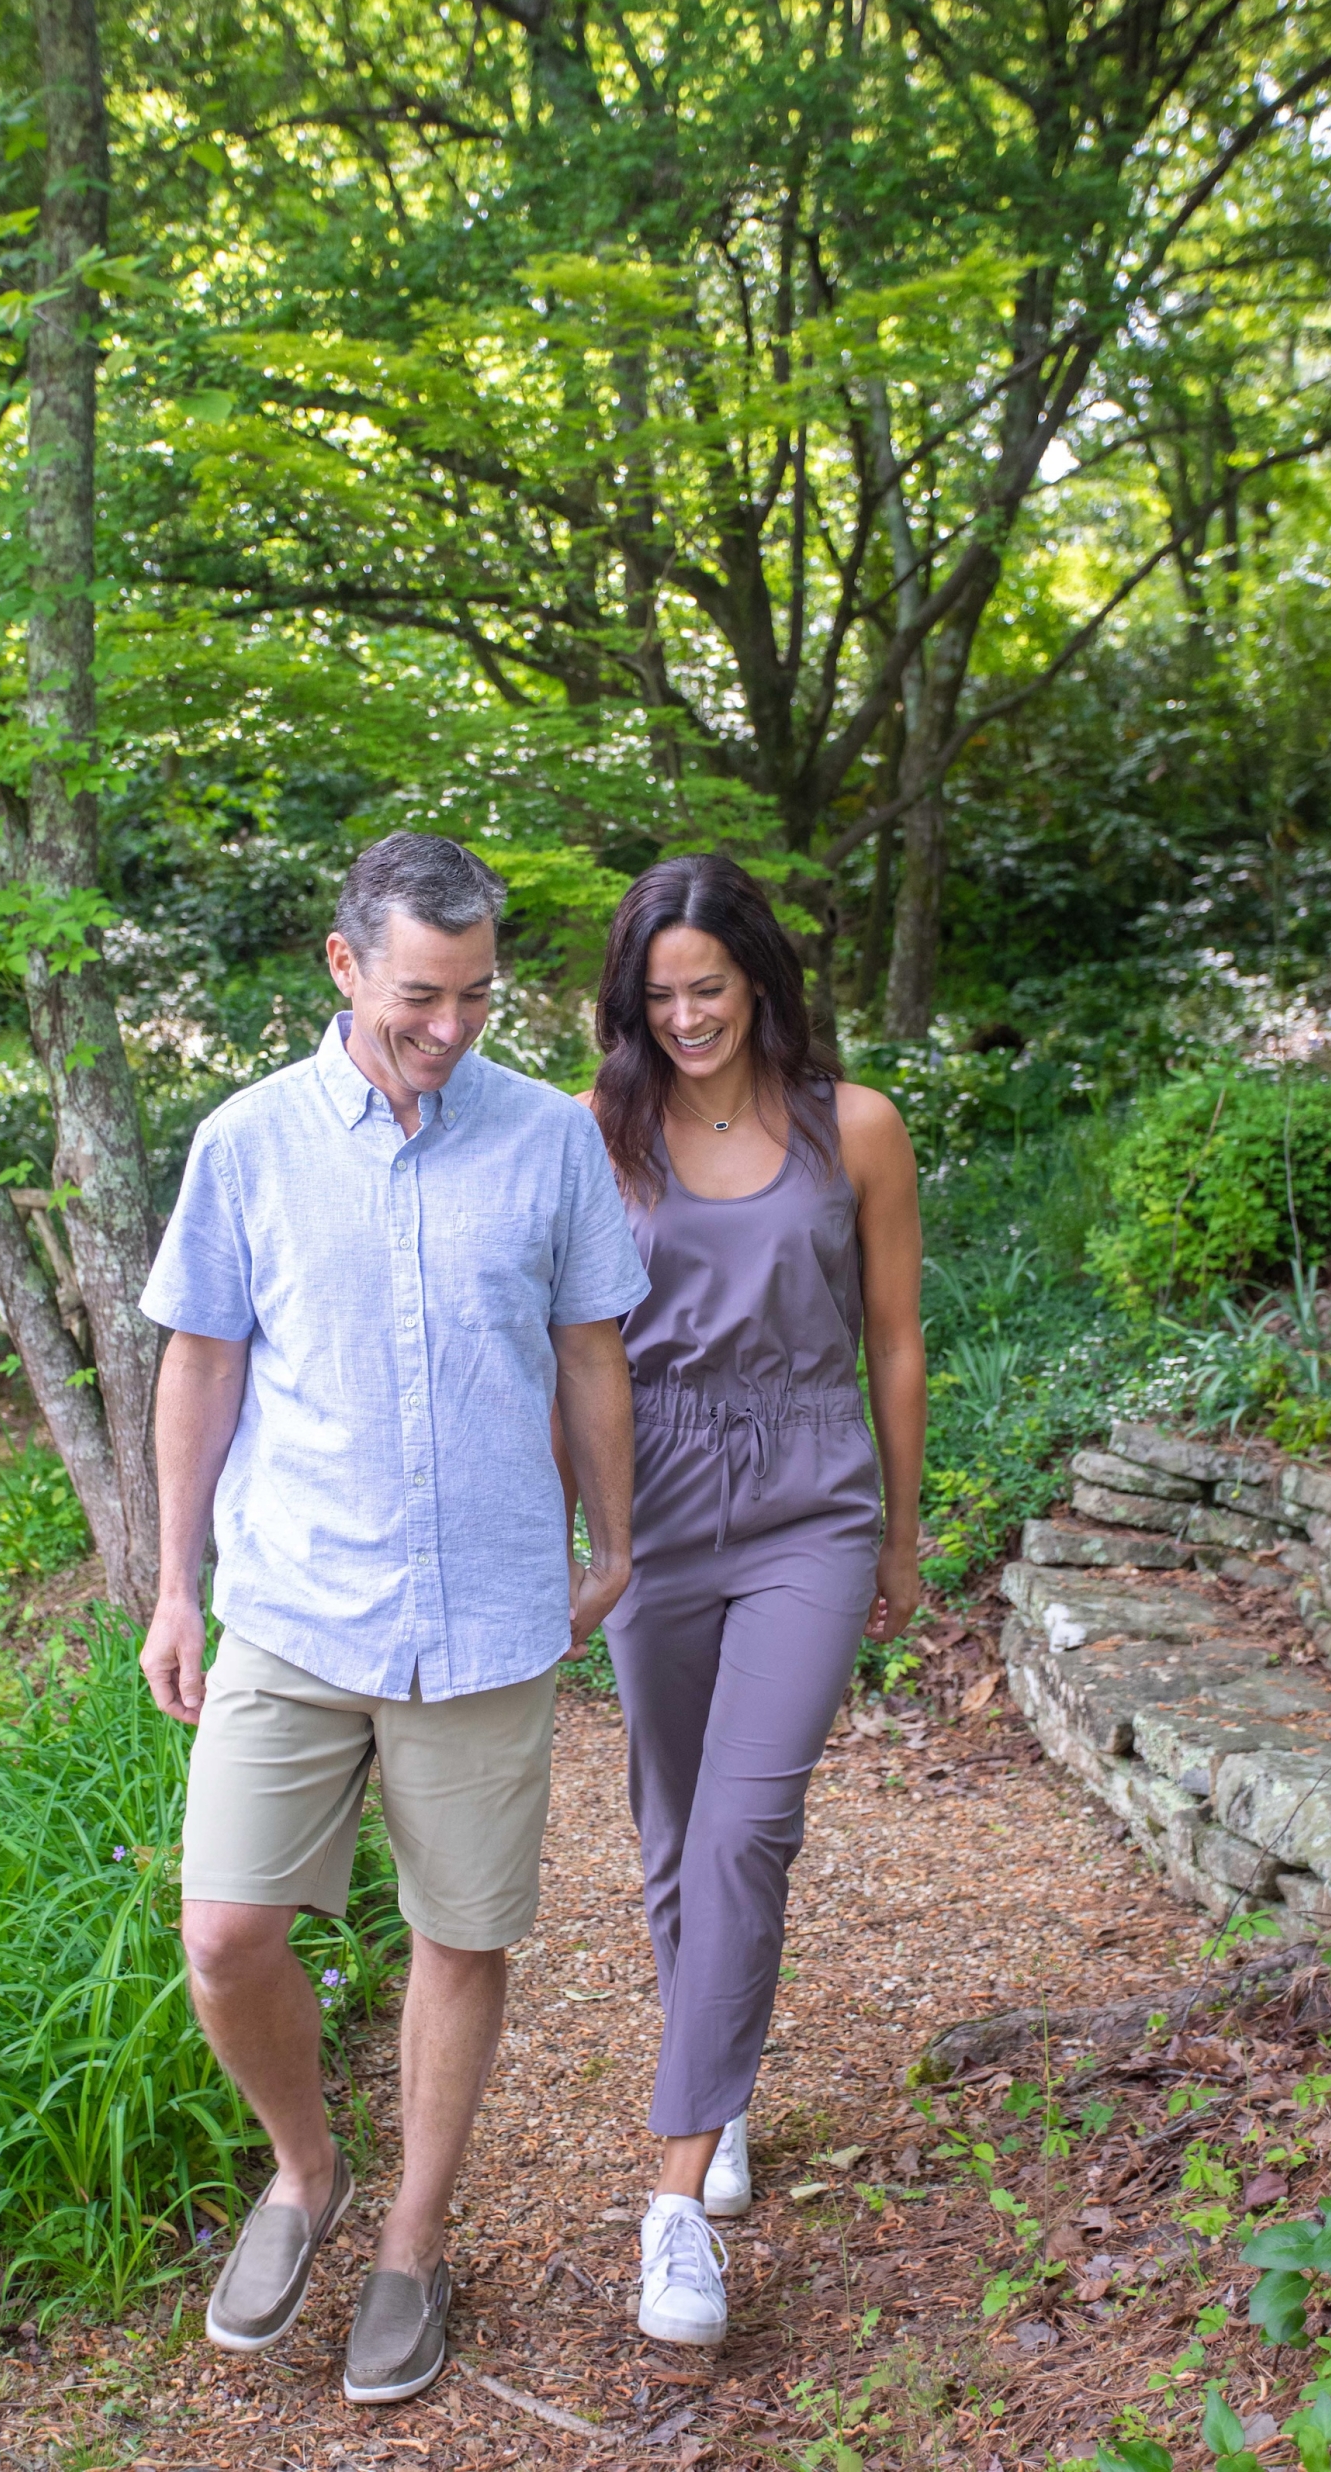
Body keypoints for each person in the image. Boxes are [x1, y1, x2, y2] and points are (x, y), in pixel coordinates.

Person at [137, 832, 649, 2405]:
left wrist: (615, 1541)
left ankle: (413, 2239)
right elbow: (202, 1363)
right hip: (292, 1599)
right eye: (424, 994)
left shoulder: (549, 1143)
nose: (453, 1026)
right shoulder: (247, 1142)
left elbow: (587, 1352)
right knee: (223, 1934)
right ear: (348, 967)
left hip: (489, 1605)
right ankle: (308, 2172)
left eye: (480, 995)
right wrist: (172, 1584)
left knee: (460, 1932)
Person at [563, 853, 926, 2348]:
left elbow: (895, 1339)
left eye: (707, 986)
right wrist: (576, 1530)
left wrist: (904, 1532)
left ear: (763, 976)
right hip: (655, 1500)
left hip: (808, 1499)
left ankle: (670, 2206)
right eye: (658, 996)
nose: (686, 1016)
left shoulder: (856, 1128)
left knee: (747, 1820)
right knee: (670, 1828)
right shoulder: (601, 1124)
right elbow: (565, 1334)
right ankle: (721, 2089)